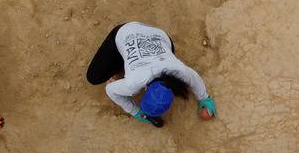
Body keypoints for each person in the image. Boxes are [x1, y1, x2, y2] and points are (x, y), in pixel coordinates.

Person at [85, 21, 217, 127]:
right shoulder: (133, 83)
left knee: (109, 70)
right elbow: (110, 90)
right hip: (126, 32)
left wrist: (205, 98)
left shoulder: (179, 71)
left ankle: (125, 60)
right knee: (94, 77)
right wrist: (135, 111)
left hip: (160, 36)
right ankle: (122, 57)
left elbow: (193, 77)